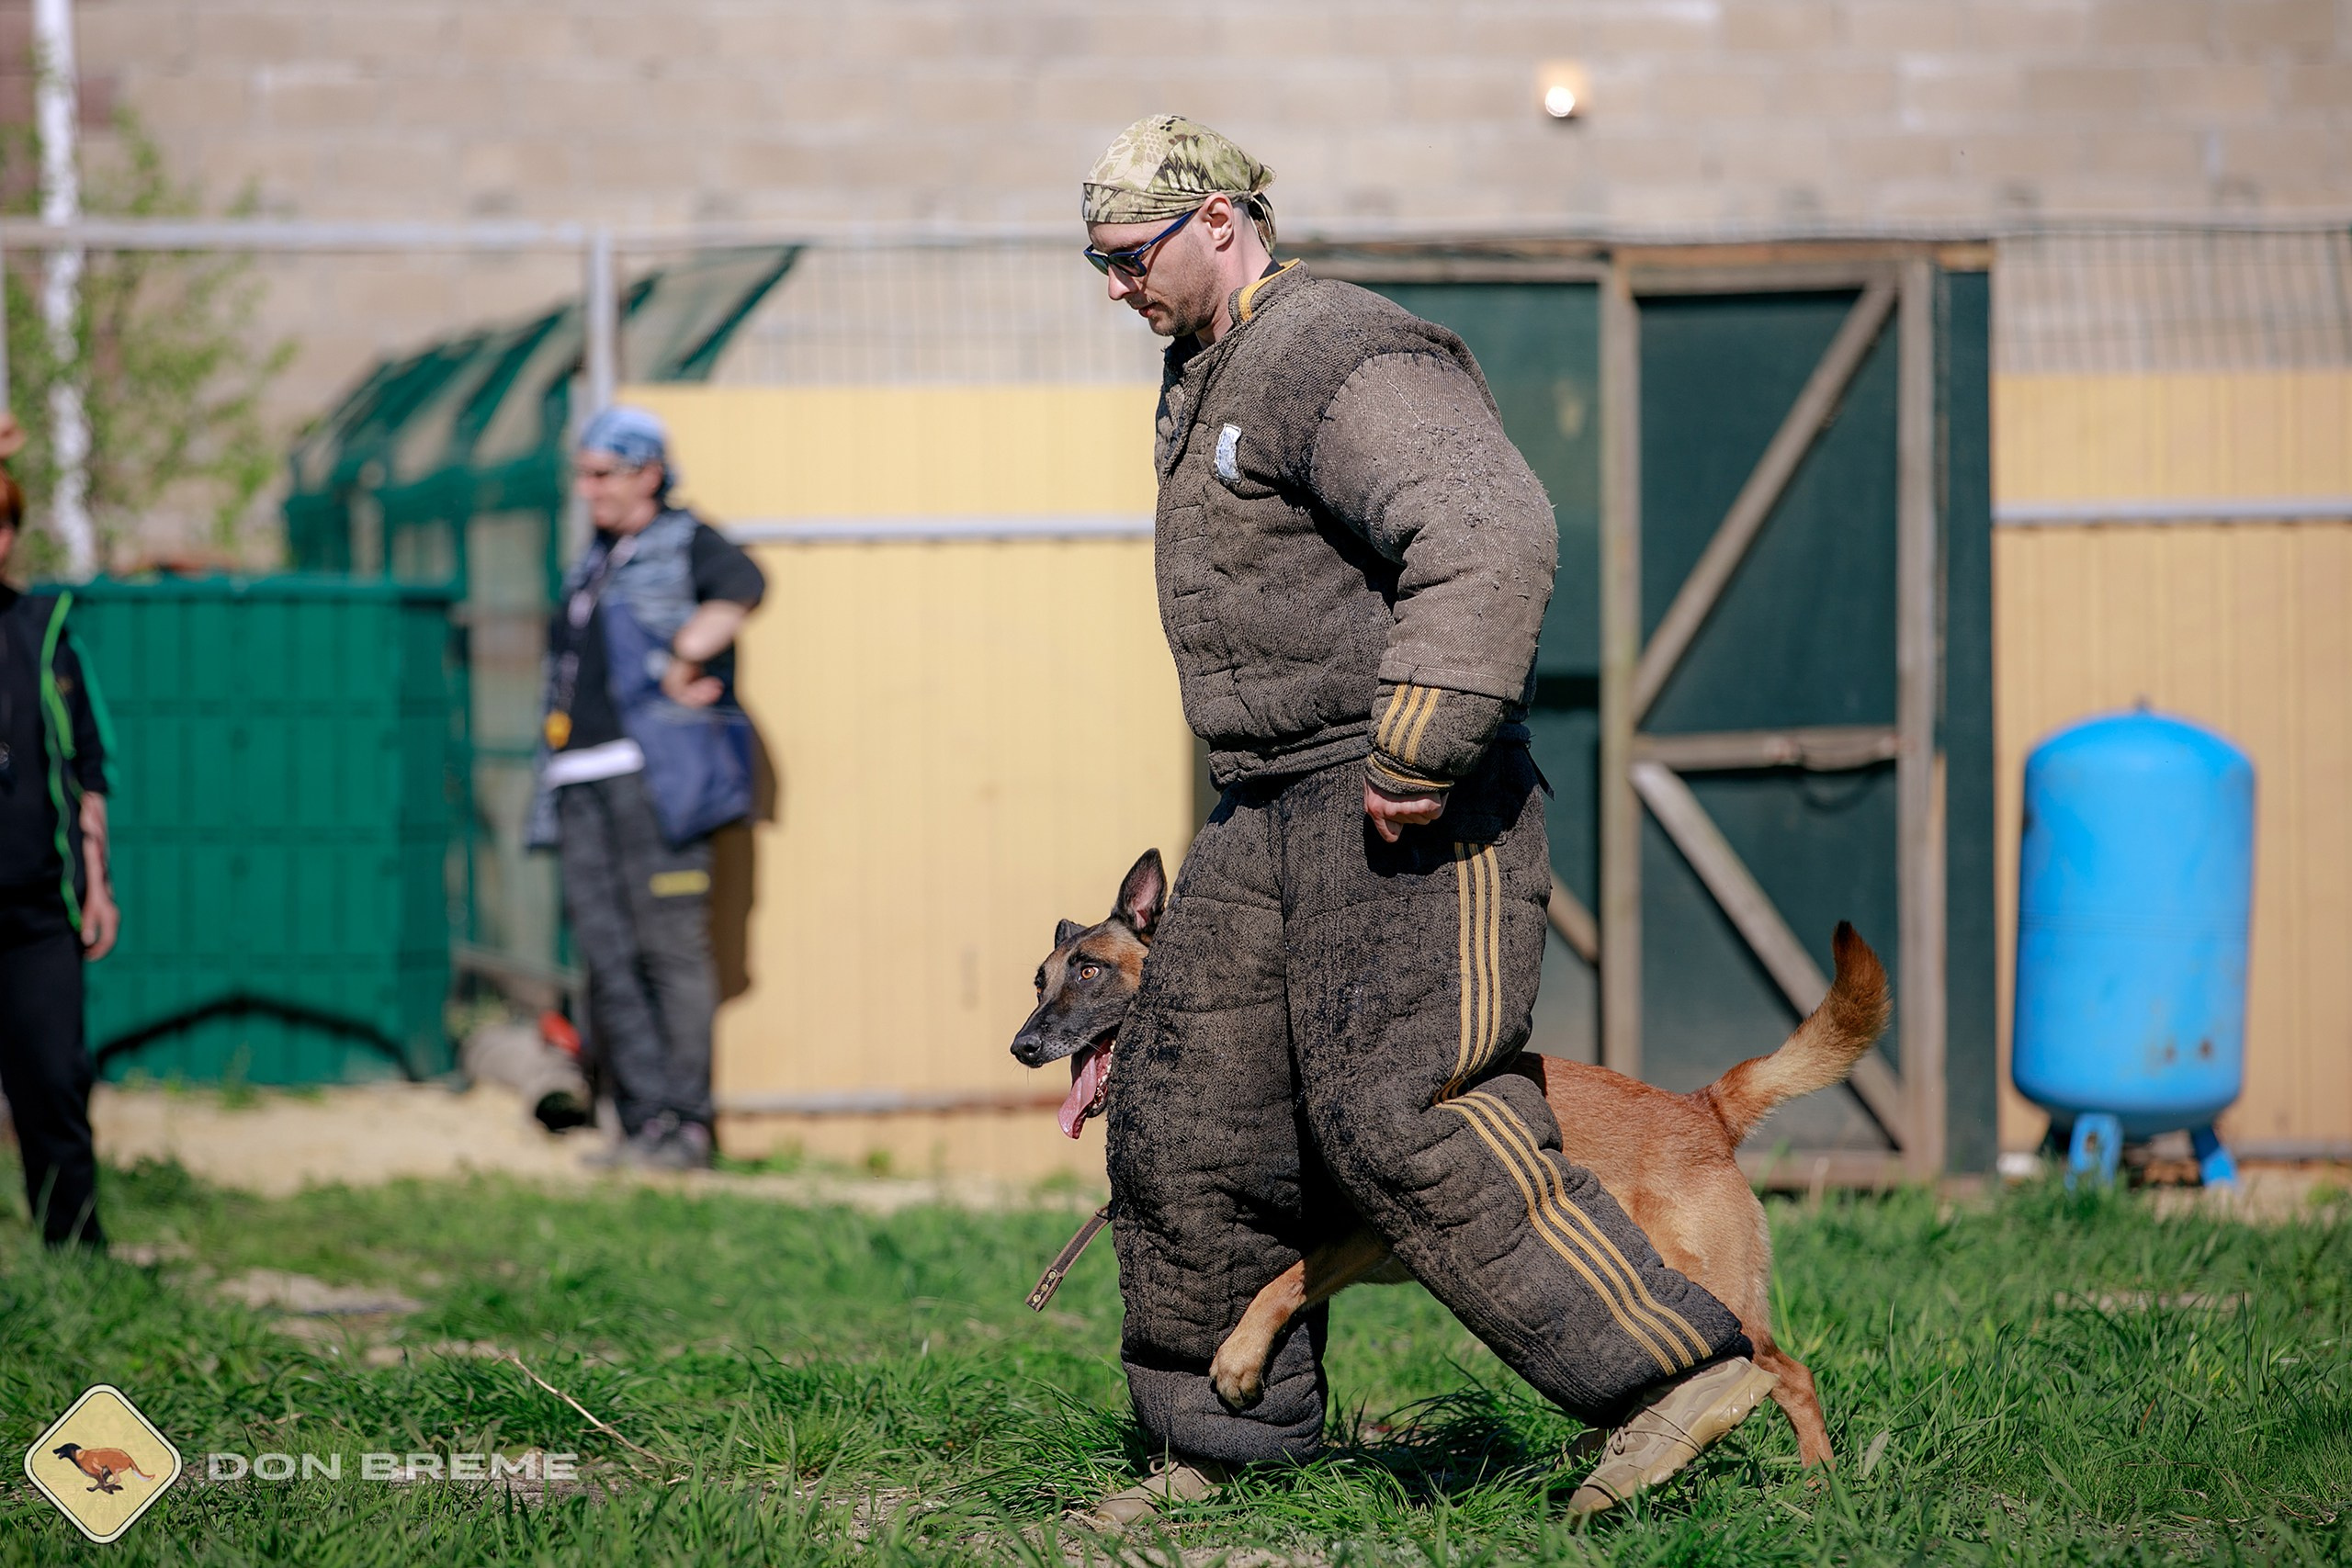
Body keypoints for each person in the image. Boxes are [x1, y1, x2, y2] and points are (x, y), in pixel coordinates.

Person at [1080, 115, 1777, 1521]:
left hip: (1403, 789)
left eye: (1128, 255)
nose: (1112, 286)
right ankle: (1222, 1451)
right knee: (1191, 1110)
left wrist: (1424, 735)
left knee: (1406, 1114)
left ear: (1220, 219)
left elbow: (1487, 525)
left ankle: (1675, 1374)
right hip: (1264, 801)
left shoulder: (1340, 351)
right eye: (1091, 261)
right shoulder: (1211, 368)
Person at [526, 406, 763, 1171]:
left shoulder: (683, 539)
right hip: (578, 777)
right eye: (584, 474)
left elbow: (746, 585)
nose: (588, 489)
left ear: (648, 474)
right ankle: (639, 1126)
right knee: (608, 956)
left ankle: (686, 1128)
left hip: (653, 779)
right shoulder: (594, 557)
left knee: (669, 951)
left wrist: (685, 657)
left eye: (603, 473)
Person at [0, 418, 118, 1248]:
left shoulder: (43, 628)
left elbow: (87, 767)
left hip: (38, 908)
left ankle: (76, 1257)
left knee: (53, 1080)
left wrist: (98, 880)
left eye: (3, 520)